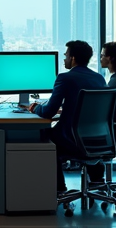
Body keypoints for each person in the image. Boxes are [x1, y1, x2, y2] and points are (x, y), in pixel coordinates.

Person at [22, 40, 108, 193]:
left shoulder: (65, 78)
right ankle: (96, 180)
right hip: (98, 138)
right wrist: (68, 109)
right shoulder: (99, 78)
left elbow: (48, 112)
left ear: (73, 58)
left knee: (44, 135)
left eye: (66, 55)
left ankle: (59, 189)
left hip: (73, 139)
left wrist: (35, 108)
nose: (64, 59)